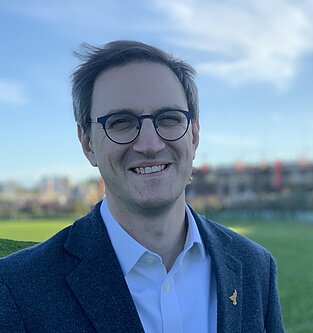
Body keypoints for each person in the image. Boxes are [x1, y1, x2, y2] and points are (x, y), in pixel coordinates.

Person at [0, 40, 285, 333]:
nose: (150, 145)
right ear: (87, 143)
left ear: (195, 135)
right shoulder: (18, 288)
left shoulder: (255, 268)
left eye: (169, 118)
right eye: (121, 122)